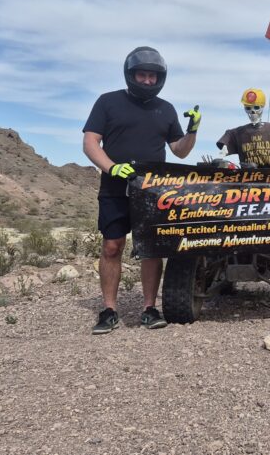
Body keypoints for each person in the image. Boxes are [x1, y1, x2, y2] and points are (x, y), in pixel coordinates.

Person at [82, 46, 201, 334]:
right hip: (114, 187)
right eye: (142, 75)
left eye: (152, 76)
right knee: (112, 247)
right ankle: (109, 310)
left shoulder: (166, 109)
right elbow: (90, 142)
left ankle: (149, 308)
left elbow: (180, 151)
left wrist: (192, 130)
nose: (147, 80)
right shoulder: (107, 102)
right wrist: (112, 167)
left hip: (151, 191)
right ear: (131, 75)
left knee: (151, 249)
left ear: (159, 78)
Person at [216, 88, 270, 167]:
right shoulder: (237, 133)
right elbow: (227, 139)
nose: (252, 111)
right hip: (247, 176)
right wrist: (221, 156)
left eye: (256, 107)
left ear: (262, 107)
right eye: (248, 108)